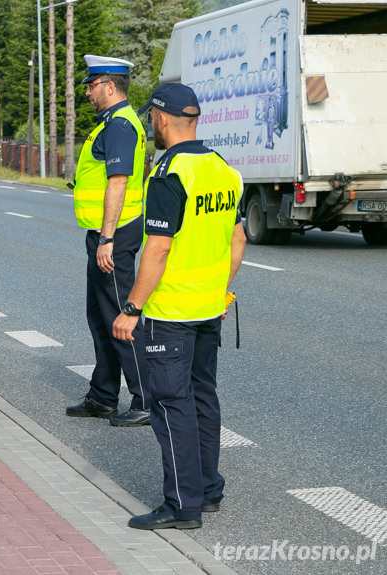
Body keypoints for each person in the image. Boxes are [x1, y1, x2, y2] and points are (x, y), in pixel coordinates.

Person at [112, 83, 247, 530]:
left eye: (152, 116)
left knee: (171, 404)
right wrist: (219, 290)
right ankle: (208, 490)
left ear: (162, 119)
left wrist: (131, 308)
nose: (151, 122)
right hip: (209, 309)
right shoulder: (223, 169)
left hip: (171, 314)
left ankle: (181, 506)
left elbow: (157, 250)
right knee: (203, 396)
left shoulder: (170, 172)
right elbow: (238, 239)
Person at [66, 55, 150, 427]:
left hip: (115, 234)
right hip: (107, 232)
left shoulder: (119, 126)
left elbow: (118, 182)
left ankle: (146, 398)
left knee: (121, 318)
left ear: (110, 86)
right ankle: (103, 396)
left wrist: (107, 238)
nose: (87, 91)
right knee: (101, 317)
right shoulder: (112, 124)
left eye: (91, 84)